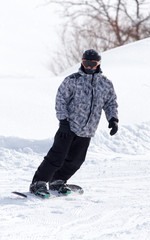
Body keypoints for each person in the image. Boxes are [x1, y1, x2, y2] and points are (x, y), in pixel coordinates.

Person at [29, 49, 119, 198]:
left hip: (88, 129)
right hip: (69, 127)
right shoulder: (73, 80)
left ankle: (58, 180)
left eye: (93, 64)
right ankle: (38, 182)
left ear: (98, 64)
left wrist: (113, 119)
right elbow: (60, 100)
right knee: (56, 157)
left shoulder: (105, 83)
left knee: (76, 160)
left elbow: (111, 103)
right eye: (86, 63)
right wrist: (63, 121)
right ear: (82, 63)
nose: (89, 67)